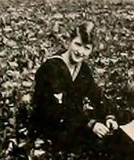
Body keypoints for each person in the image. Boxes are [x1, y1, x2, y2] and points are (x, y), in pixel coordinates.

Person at [31, 22, 117, 151]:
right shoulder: (52, 68)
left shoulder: (83, 69)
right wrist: (90, 124)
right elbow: (56, 109)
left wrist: (108, 116)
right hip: (49, 124)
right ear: (69, 42)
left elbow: (96, 95)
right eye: (77, 44)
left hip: (72, 122)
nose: (80, 52)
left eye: (86, 48)